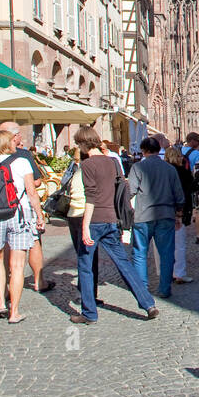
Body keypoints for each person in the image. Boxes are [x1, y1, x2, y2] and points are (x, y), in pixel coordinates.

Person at [69, 127, 158, 325]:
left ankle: (89, 313)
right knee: (123, 263)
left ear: (83, 144)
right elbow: (121, 189)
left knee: (85, 266)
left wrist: (84, 226)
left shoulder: (88, 165)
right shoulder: (113, 162)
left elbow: (90, 198)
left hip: (94, 220)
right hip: (111, 219)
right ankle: (148, 303)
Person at [0, 129, 45, 323]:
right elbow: (32, 193)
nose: (16, 143)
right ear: (7, 143)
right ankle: (14, 312)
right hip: (18, 215)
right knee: (17, 265)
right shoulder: (21, 162)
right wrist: (39, 216)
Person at [0, 121, 55, 294]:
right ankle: (38, 281)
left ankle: (3, 288)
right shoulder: (22, 156)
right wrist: (39, 215)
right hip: (21, 208)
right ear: (13, 136)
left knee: (2, 249)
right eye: (18, 133)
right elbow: (35, 183)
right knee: (34, 242)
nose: (20, 136)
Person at [128, 136, 185, 299]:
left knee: (140, 253)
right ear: (158, 149)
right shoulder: (170, 169)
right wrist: (179, 213)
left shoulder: (137, 168)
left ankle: (142, 289)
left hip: (143, 215)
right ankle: (165, 288)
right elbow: (179, 195)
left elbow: (130, 191)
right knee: (166, 253)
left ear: (143, 150)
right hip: (166, 215)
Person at [66, 138, 103, 313]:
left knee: (85, 257)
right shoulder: (89, 170)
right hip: (84, 216)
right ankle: (88, 296)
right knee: (89, 258)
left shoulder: (75, 169)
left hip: (73, 214)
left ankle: (87, 294)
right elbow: (93, 195)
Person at [165, 145, 195, 283]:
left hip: (162, 211)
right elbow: (190, 189)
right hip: (179, 211)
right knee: (179, 243)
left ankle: (165, 272)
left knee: (163, 244)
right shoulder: (182, 172)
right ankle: (179, 273)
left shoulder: (162, 171)